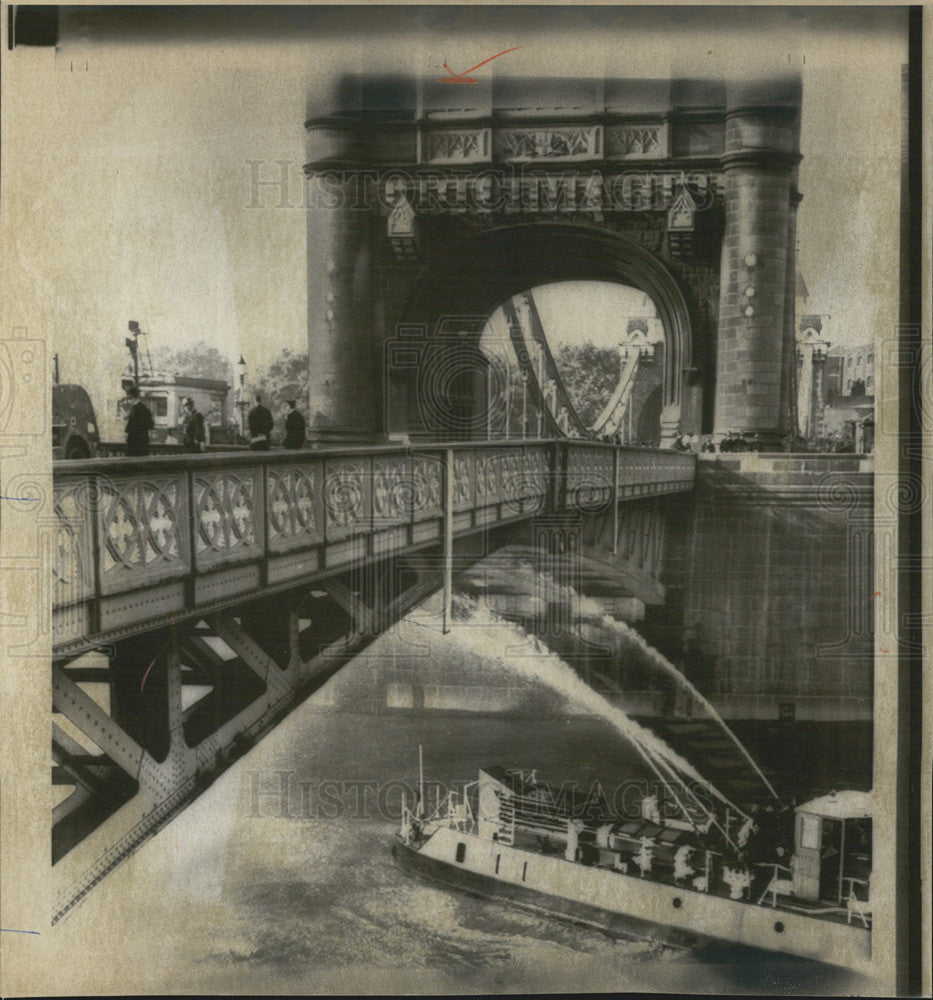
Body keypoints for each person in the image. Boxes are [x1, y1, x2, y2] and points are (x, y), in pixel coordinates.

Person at [124, 383, 154, 456]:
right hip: (143, 442)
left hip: (134, 442)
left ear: (132, 398)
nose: (129, 401)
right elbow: (150, 424)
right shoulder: (145, 409)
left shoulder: (134, 409)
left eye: (129, 399)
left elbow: (130, 426)